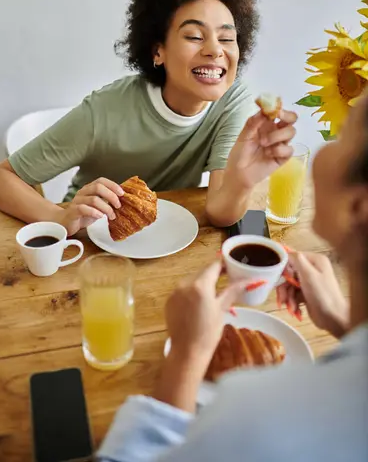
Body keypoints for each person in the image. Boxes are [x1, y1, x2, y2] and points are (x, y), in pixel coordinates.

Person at [96, 91, 368, 461]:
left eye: (342, 133)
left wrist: (186, 356)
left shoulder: (260, 417)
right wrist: (344, 324)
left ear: (359, 206)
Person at [0, 0, 296, 234]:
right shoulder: (104, 111)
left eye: (227, 39)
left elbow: (217, 211)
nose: (215, 50)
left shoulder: (234, 100)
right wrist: (59, 219)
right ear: (158, 51)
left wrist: (241, 183)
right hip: (91, 238)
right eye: (194, 36)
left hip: (168, 239)